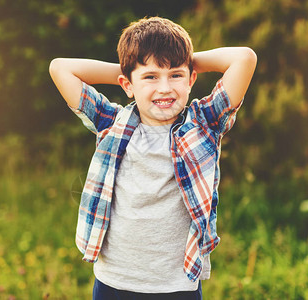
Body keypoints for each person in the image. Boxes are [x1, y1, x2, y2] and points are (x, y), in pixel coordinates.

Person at [50, 16, 256, 300]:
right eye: (151, 77)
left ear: (191, 78)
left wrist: (183, 60)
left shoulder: (204, 123)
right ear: (127, 85)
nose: (164, 88)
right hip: (114, 281)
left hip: (176, 285)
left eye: (176, 75)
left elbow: (244, 58)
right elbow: (60, 68)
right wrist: (131, 70)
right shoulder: (112, 122)